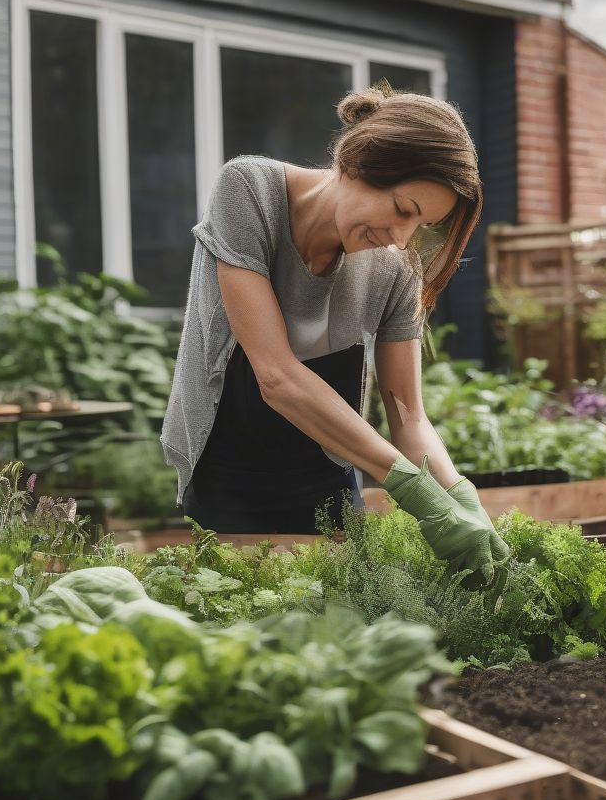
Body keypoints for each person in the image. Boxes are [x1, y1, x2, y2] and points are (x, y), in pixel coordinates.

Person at [161, 84, 509, 586]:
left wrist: (457, 496)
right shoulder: (249, 192)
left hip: (327, 473)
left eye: (423, 224)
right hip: (229, 468)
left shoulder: (394, 269)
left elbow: (407, 414)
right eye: (404, 208)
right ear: (356, 161)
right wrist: (415, 494)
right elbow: (277, 376)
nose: (401, 237)